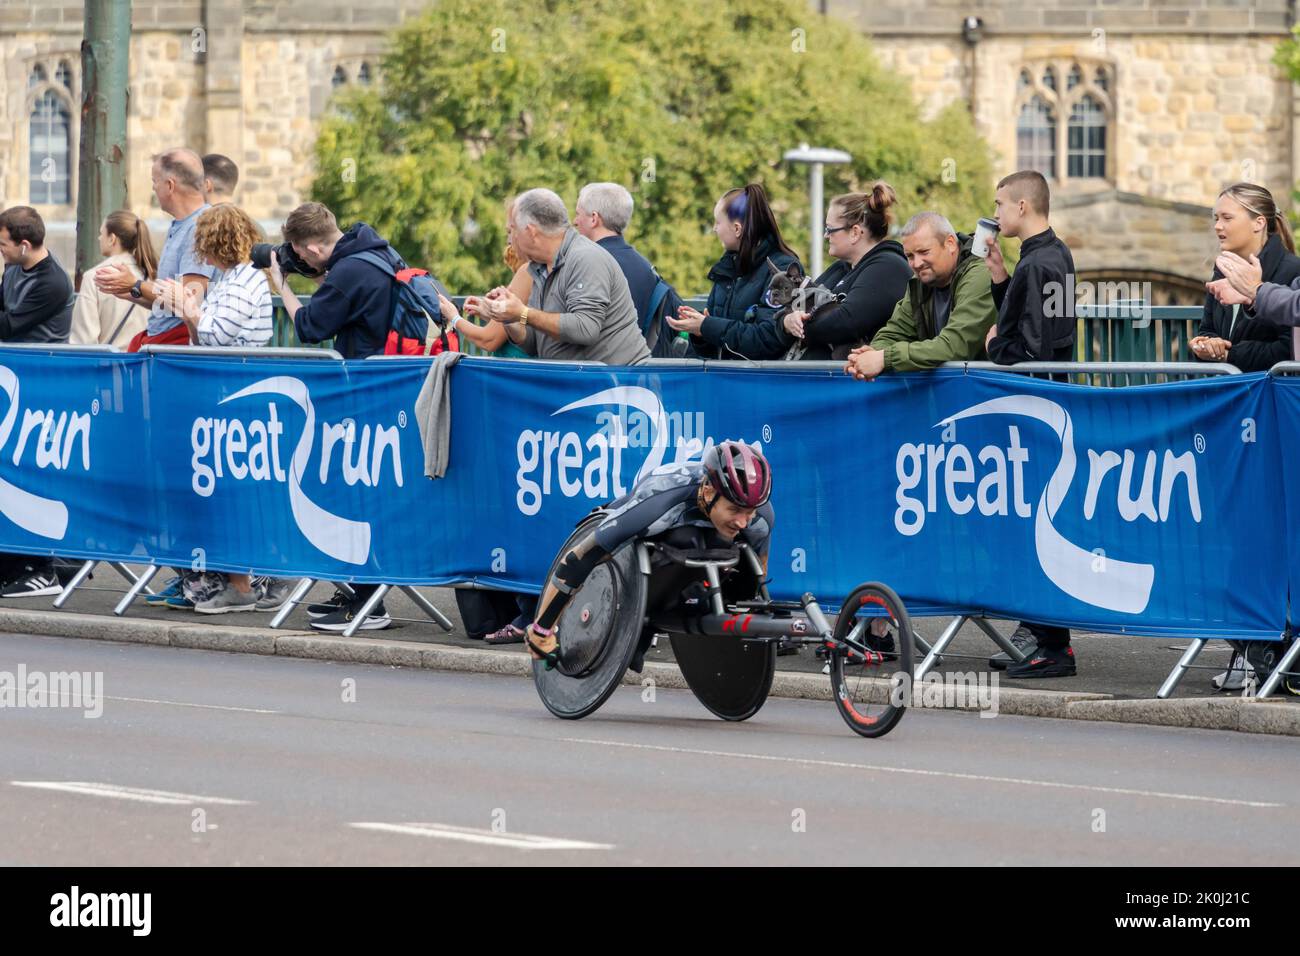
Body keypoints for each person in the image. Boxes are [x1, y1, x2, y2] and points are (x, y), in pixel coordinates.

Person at [269, 202, 422, 631]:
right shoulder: (374, 252)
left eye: (300, 251)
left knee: (356, 494)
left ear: (313, 245)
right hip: (391, 393)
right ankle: (358, 590)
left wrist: (281, 284)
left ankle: (369, 601)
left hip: (367, 400)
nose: (299, 258)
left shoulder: (350, 271)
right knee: (363, 492)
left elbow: (309, 326)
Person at [523, 441, 773, 669]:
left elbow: (758, 571)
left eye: (750, 512)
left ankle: (693, 595)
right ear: (708, 492)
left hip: (699, 540)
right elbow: (576, 561)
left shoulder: (759, 517)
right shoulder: (658, 505)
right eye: (735, 510)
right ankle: (644, 620)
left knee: (730, 543)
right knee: (685, 538)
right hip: (652, 530)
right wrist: (541, 630)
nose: (743, 521)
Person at [980, 170, 1079, 678]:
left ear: (1022, 206)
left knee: (1037, 523)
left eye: (1000, 205)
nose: (995, 214)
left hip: (1035, 412)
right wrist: (1000, 277)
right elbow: (1036, 328)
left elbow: (1032, 349)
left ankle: (1052, 645)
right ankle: (1044, 637)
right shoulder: (1050, 254)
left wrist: (994, 346)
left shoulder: (1040, 262)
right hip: (1049, 407)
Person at [463, 188, 650, 365]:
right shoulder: (540, 267)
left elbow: (586, 328)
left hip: (618, 386)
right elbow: (534, 344)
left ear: (531, 231)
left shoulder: (585, 258)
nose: (511, 240)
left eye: (512, 230)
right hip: (582, 385)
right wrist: (509, 318)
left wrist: (523, 313)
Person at [0, 206, 74, 597]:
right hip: (12, 384)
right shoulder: (13, 270)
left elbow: (10, 324)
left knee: (32, 477)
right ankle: (10, 562)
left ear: (24, 244)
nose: (1, 252)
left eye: (4, 245)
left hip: (42, 391)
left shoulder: (53, 282)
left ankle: (43, 567)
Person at [844, 212, 996, 381]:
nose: (916, 263)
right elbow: (893, 333)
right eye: (909, 256)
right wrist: (872, 354)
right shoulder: (921, 281)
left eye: (924, 252)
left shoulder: (980, 274)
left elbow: (954, 346)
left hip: (989, 396)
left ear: (951, 244)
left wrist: (885, 358)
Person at [94, 148, 215, 351]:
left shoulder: (200, 227)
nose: (153, 189)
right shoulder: (181, 225)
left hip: (176, 348)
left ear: (169, 186)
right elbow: (168, 307)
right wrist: (132, 291)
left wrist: (137, 285)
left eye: (154, 182)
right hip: (163, 342)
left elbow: (190, 298)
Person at [667, 183, 802, 360]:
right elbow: (719, 346)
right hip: (725, 380)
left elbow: (767, 338)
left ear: (737, 229)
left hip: (761, 383)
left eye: (717, 222)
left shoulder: (782, 268)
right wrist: (701, 332)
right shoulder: (727, 268)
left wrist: (707, 326)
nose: (715, 229)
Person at [780, 183, 910, 361]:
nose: (826, 236)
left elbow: (845, 322)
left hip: (863, 385)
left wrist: (799, 325)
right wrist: (786, 321)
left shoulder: (889, 267)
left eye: (830, 229)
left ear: (855, 233)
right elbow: (796, 303)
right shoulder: (842, 267)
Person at [1192, 183, 1300, 372]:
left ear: (1259, 223)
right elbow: (1207, 329)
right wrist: (1206, 345)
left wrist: (1229, 355)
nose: (1218, 226)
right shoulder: (1222, 268)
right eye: (1216, 218)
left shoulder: (1292, 270)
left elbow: (1288, 350)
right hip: (1230, 389)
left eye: (1227, 218)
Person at [573, 182, 660, 329]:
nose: (575, 221)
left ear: (594, 218)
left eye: (577, 214)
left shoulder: (587, 263)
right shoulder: (646, 268)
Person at [70, 211, 157, 346]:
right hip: (144, 362)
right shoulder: (151, 277)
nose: (99, 238)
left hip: (109, 363)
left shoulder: (94, 277)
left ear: (112, 239)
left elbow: (84, 340)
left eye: (101, 233)